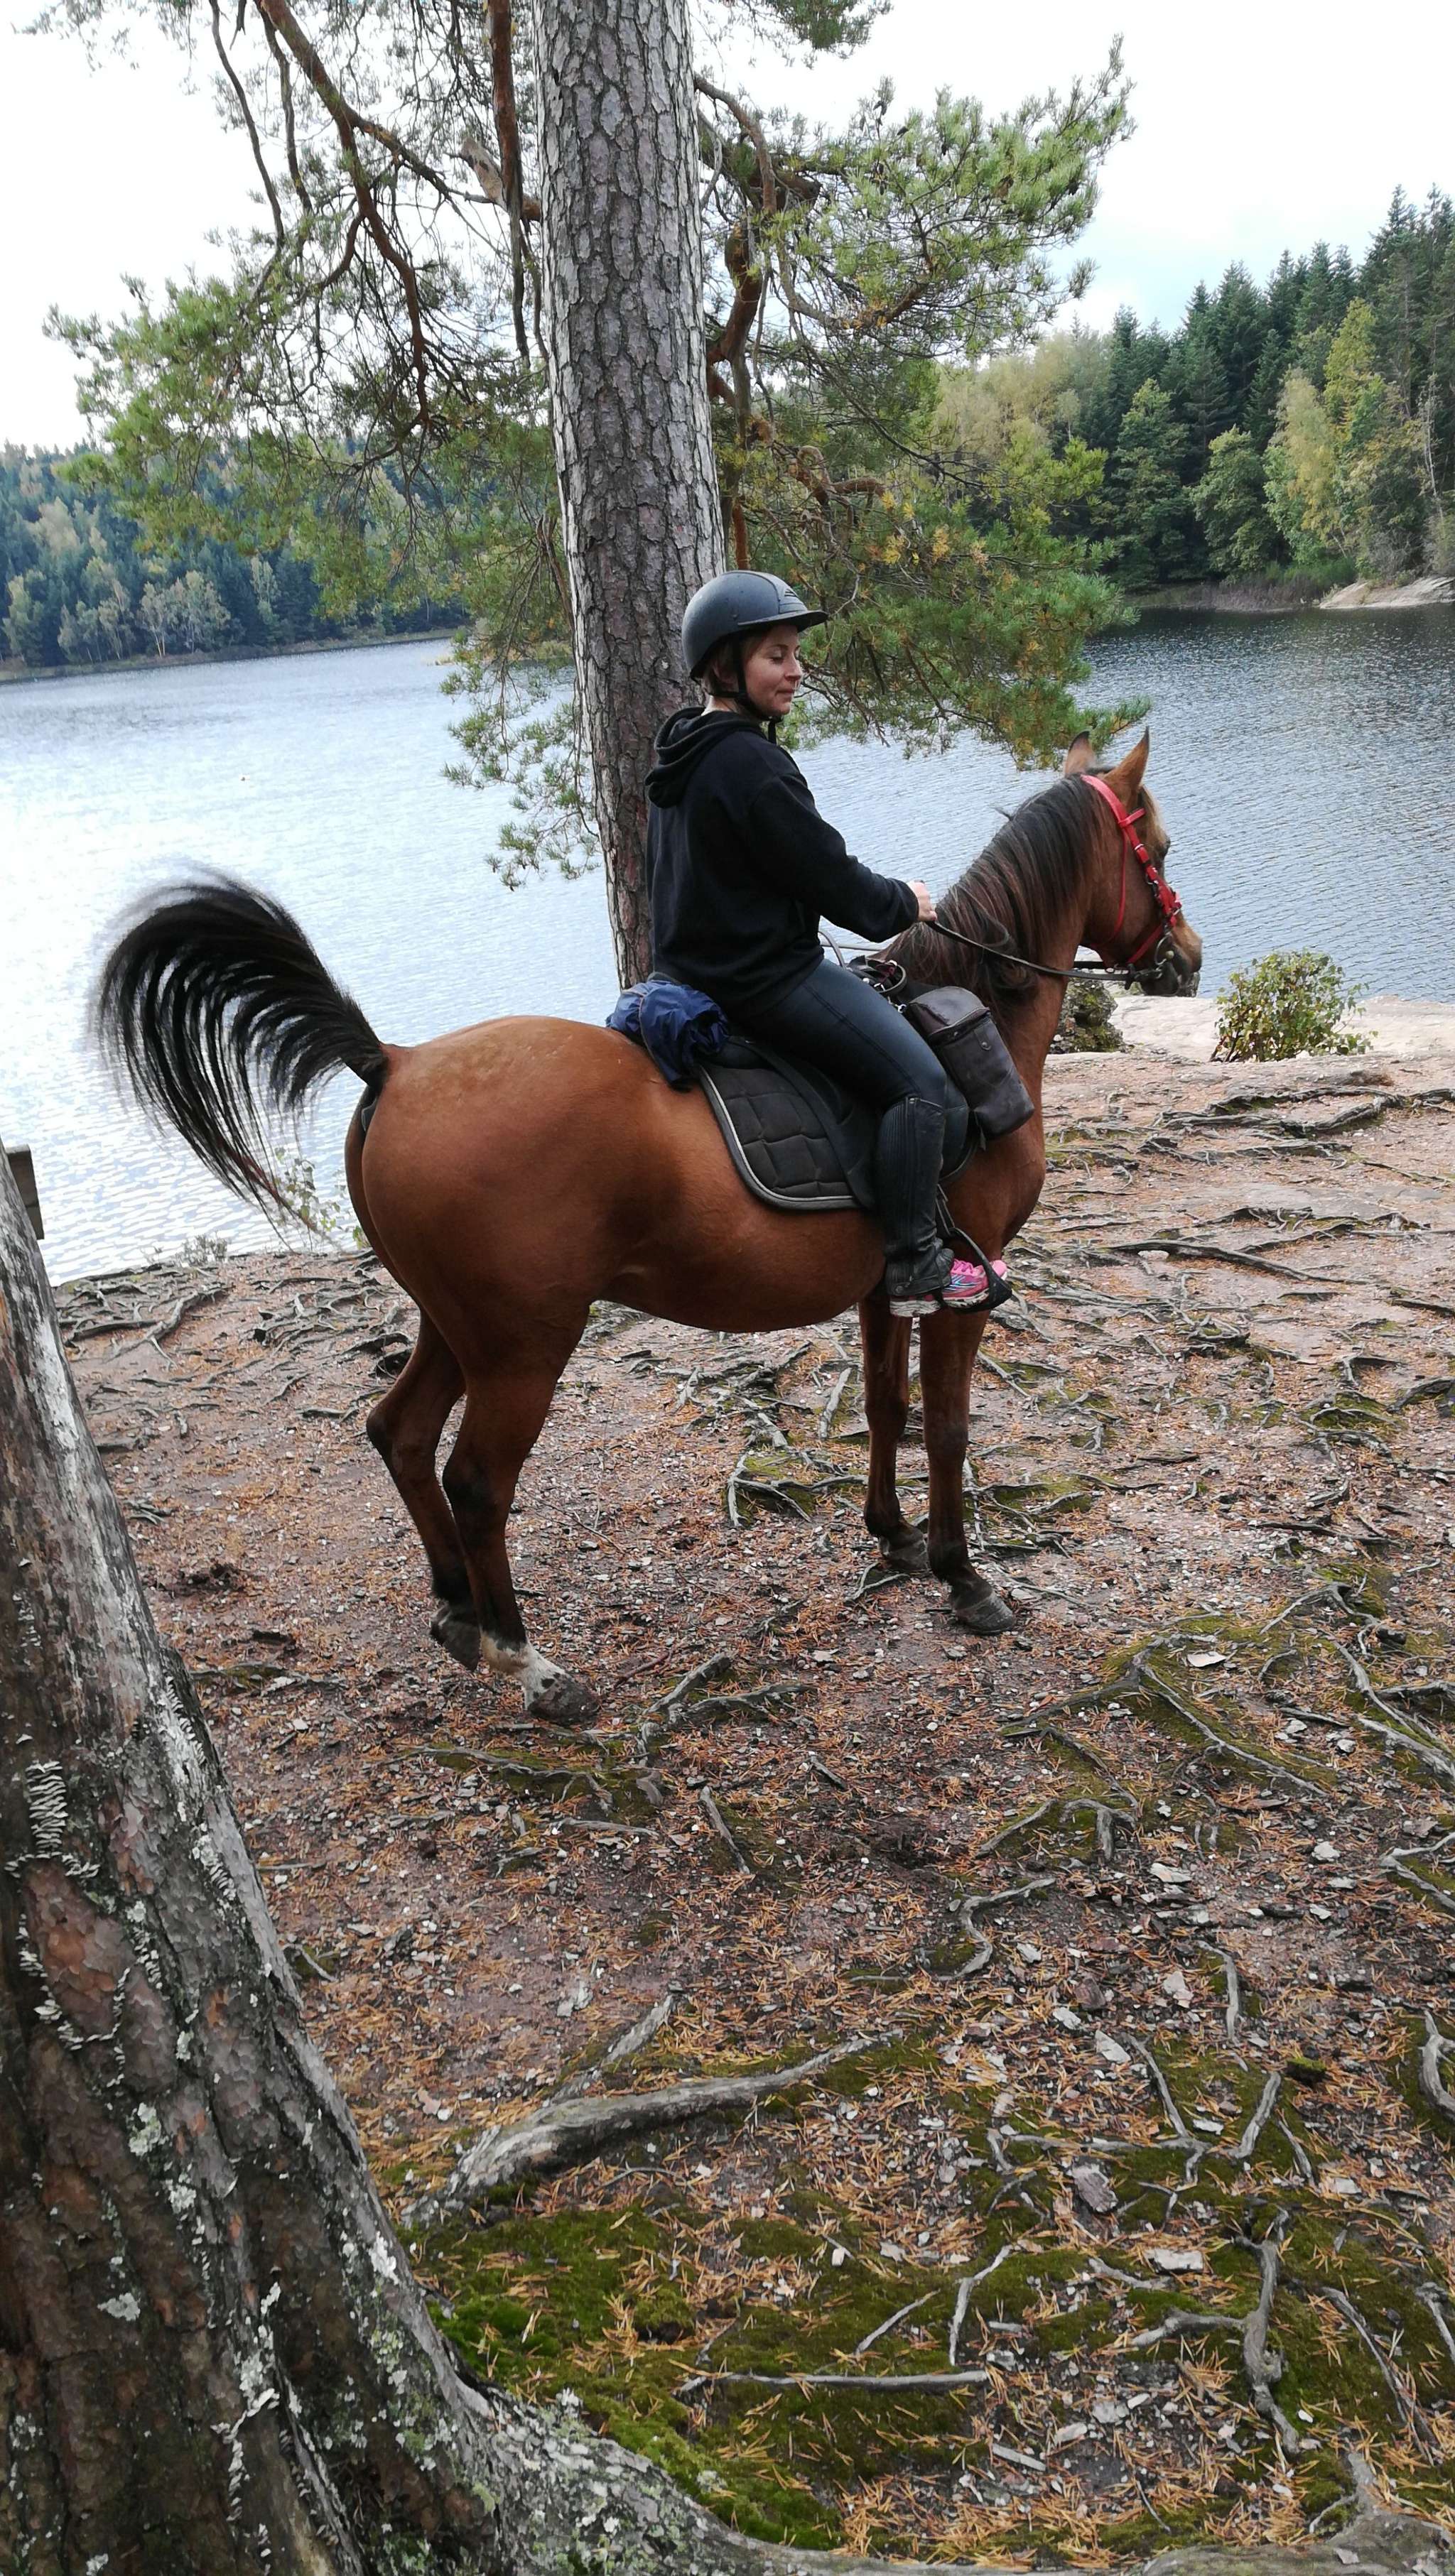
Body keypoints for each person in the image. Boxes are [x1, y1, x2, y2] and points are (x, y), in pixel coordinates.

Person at [644, 568, 1002, 1315]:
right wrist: (904, 901)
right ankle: (916, 1263)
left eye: (796, 654)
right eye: (775, 655)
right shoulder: (751, 763)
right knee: (919, 1083)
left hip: (685, 981)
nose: (795, 670)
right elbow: (833, 881)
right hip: (765, 983)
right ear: (725, 667)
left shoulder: (680, 753)